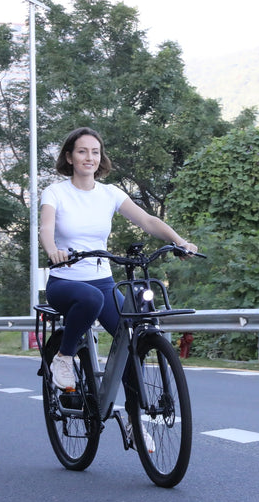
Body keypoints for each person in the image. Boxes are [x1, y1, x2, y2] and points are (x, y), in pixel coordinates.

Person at [39, 127, 198, 390]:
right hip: (65, 281)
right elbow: (45, 228)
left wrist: (179, 241)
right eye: (82, 152)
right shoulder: (55, 192)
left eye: (95, 152)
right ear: (69, 157)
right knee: (91, 298)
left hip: (103, 282)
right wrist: (53, 250)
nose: (89, 158)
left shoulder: (109, 193)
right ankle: (64, 356)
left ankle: (136, 416)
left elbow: (147, 221)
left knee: (133, 339)